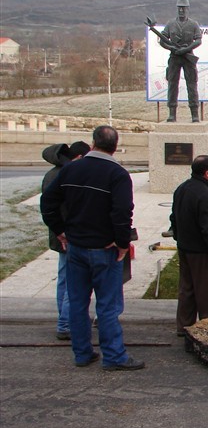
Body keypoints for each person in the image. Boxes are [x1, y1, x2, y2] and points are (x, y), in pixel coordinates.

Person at [40, 125, 144, 371]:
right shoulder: (117, 174)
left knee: (77, 302)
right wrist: (121, 243)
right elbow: (122, 213)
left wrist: (60, 230)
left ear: (93, 143)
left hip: (75, 247)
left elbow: (48, 202)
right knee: (107, 306)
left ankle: (82, 353)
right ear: (115, 146)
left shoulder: (71, 169)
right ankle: (114, 356)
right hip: (104, 250)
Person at [41, 140, 91, 341]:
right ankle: (66, 323)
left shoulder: (53, 173)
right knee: (73, 281)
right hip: (68, 236)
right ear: (78, 158)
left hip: (59, 234)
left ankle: (64, 319)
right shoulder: (68, 174)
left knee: (64, 278)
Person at [170, 155, 208, 336]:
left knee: (187, 289)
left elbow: (173, 218)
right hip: (201, 252)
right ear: (207, 173)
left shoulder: (182, 189)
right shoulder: (206, 197)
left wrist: (179, 239)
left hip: (184, 247)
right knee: (206, 292)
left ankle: (184, 327)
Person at [159, 0, 202, 123]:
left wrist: (186, 49)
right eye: (179, 8)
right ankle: (172, 113)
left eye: (183, 8)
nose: (181, 11)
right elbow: (162, 40)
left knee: (192, 85)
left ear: (187, 9)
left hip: (188, 58)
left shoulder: (193, 24)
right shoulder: (170, 24)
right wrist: (171, 48)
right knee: (172, 85)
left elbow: (198, 40)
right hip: (174, 58)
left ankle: (195, 114)